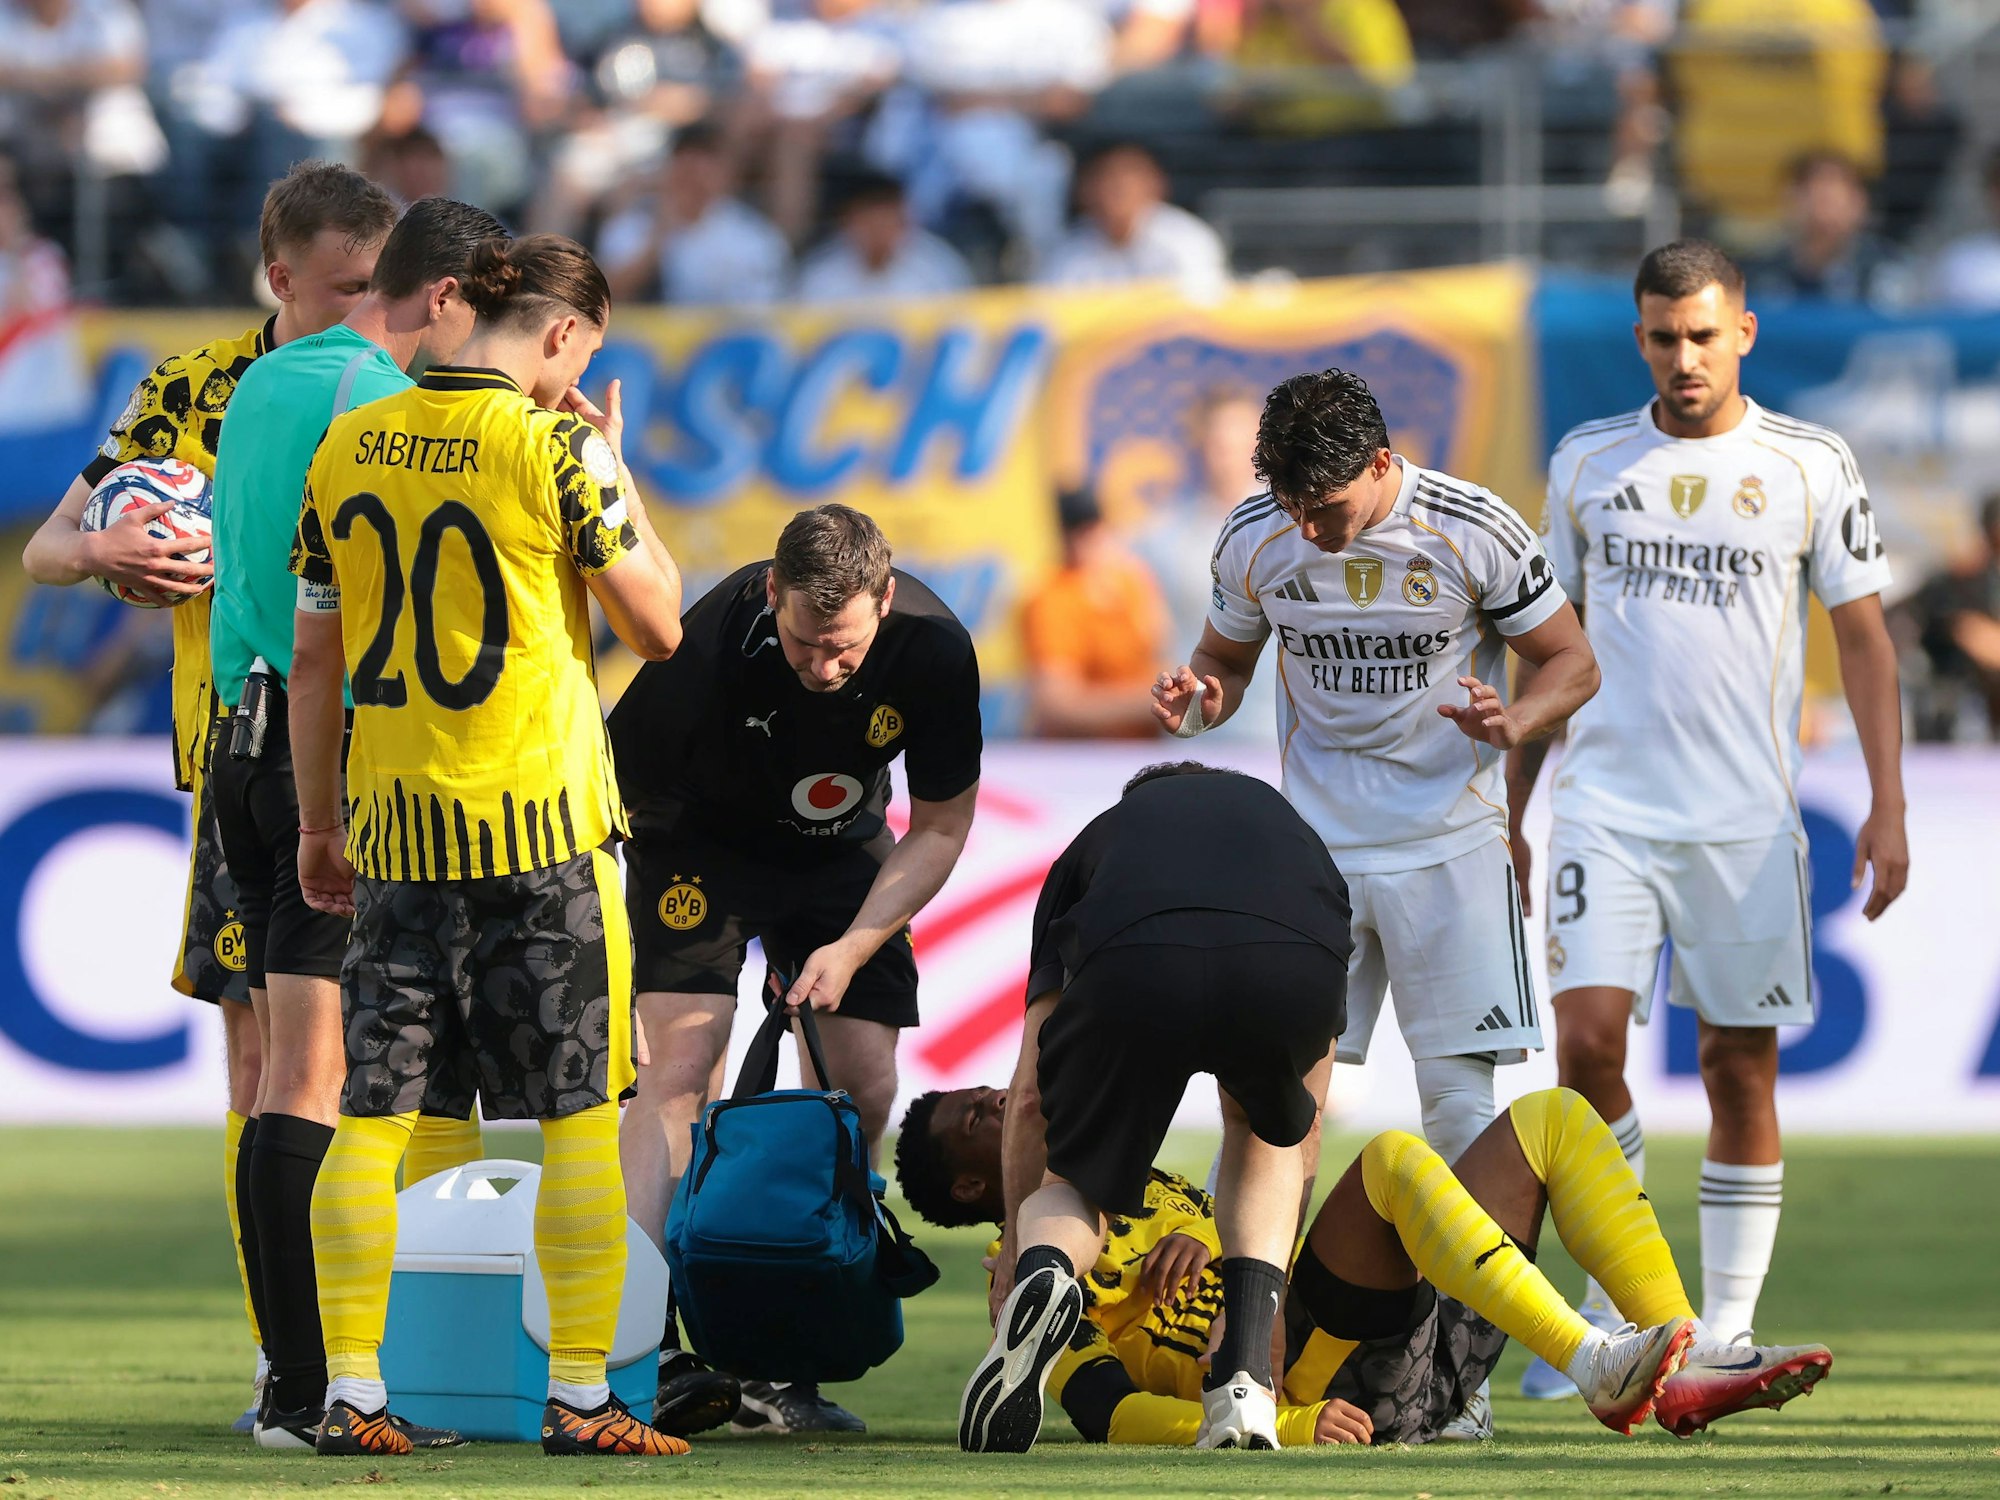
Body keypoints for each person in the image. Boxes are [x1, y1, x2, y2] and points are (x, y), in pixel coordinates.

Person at [289, 233, 688, 1458]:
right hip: (541, 833)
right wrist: (618, 470)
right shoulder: (556, 447)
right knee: (576, 1120)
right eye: (583, 357)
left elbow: (313, 656)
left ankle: (353, 1393)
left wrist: (319, 823)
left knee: (374, 1116)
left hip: (397, 836)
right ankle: (581, 1396)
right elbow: (659, 626)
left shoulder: (347, 445)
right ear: (562, 335)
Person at [1150, 368, 1599, 1439]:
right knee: (1280, 1110)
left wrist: (1516, 720)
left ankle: (1456, 1384)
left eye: (1329, 507)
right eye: (1293, 505)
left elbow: (1571, 663)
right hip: (1309, 856)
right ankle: (1245, 1363)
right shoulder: (1254, 535)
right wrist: (1200, 697)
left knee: (1462, 1113)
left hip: (1451, 848)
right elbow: (1222, 661)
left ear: (1383, 464)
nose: (1309, 528)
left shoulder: (1472, 528)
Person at [19, 160, 394, 1435]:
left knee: (372, 1064)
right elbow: (48, 546)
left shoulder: (395, 388)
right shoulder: (192, 391)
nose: (363, 309)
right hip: (243, 756)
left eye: (380, 286)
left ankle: (369, 1344)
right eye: (343, 287)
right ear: (279, 276)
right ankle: (282, 1354)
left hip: (381, 761)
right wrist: (105, 548)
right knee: (259, 1063)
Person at [1508, 239, 1908, 1399]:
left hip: (1742, 819)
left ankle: (1724, 1329)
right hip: (1603, 806)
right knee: (1585, 1046)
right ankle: (1621, 1309)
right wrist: (1509, 808)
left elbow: (1864, 640)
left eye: (1700, 335)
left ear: (1741, 333)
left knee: (1737, 1066)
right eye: (1660, 337)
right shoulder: (1586, 462)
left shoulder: (1807, 464)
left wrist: (1885, 804)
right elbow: (1545, 644)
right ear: (1638, 339)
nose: (1682, 358)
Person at [205, 193, 508, 1448]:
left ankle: (287, 1381)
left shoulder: (260, 384)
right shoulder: (377, 402)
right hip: (322, 755)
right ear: (436, 294)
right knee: (319, 1079)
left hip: (238, 742)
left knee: (287, 1072)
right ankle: (316, 1390)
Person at [607, 501, 982, 1436]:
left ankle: (786, 1363)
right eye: (805, 643)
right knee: (677, 1074)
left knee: (861, 1087)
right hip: (697, 846)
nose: (823, 667)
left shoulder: (935, 650)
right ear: (771, 592)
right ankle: (646, 1351)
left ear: (884, 601)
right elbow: (611, 793)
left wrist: (850, 946)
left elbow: (941, 826)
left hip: (840, 852)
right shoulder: (706, 647)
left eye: (844, 649)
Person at [903, 1083, 1834, 1446]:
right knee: (1390, 1160)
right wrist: (1290, 1424)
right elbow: (1107, 1415)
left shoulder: (1149, 1186)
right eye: (976, 1119)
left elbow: (1260, 1244)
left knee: (1553, 1119)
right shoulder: (1023, 1279)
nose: (1002, 1101)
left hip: (1405, 1351)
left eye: (991, 1092)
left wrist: (1219, 1250)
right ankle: (1594, 1362)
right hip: (1329, 1392)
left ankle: (1678, 1350)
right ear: (976, 1188)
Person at [962, 761, 1350, 1452]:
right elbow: (1307, 1123)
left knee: (1078, 1185)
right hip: (1286, 957)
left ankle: (1048, 1275)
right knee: (1264, 1132)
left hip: (1136, 960)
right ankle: (1246, 1381)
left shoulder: (1101, 839)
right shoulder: (1297, 838)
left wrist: (1018, 1249)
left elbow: (1028, 1099)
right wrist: (1273, 1296)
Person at [1020, 487, 1168, 738]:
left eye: (1095, 531)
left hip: (1143, 746)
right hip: (1083, 752)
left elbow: (1161, 652)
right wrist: (1149, 701)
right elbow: (1059, 704)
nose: (1089, 543)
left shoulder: (1131, 582)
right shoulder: (1052, 599)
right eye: (1081, 534)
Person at [597, 123, 790, 305]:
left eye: (704, 173)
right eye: (686, 172)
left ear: (725, 175)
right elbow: (604, 295)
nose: (693, 183)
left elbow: (763, 309)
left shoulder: (752, 236)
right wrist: (658, 240)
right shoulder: (632, 224)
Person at [1037, 141, 1226, 296]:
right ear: (1083, 190)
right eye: (1106, 178)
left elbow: (1203, 310)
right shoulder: (1068, 249)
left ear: (1157, 184)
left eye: (1129, 177)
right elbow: (1047, 315)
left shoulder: (1187, 240)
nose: (1118, 187)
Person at [1740, 150, 1909, 307]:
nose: (1823, 212)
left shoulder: (1886, 271)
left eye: (1832, 200)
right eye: (1816, 197)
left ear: (1859, 204)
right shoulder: (1761, 275)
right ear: (1791, 199)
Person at [793, 172, 972, 304]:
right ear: (847, 222)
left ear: (903, 218)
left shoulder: (936, 265)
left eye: (886, 219)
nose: (877, 229)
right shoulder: (821, 273)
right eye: (868, 220)